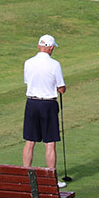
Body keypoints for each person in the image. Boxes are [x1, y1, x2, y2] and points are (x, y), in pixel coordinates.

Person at [22, 34, 66, 187]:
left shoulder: (28, 63)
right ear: (51, 47)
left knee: (30, 141)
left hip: (32, 103)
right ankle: (51, 178)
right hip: (48, 104)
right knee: (50, 142)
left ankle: (26, 175)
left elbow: (27, 81)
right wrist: (61, 88)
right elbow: (61, 88)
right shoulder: (55, 64)